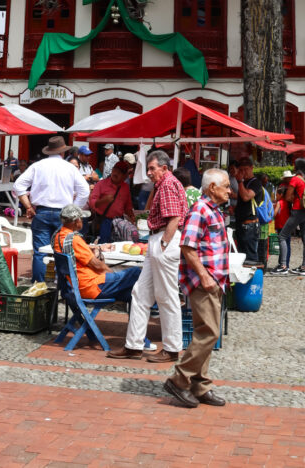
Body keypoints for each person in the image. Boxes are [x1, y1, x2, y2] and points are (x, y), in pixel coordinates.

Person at [108, 149, 188, 363]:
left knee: (167, 297)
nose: (149, 173)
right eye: (148, 169)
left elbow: (174, 218)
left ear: (164, 167)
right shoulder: (164, 184)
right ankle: (133, 345)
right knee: (140, 294)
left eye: (152, 169)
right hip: (160, 240)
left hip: (164, 240)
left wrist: (162, 244)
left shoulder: (169, 184)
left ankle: (171, 349)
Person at [163, 169, 231, 409]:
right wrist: (203, 275)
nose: (230, 190)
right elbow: (187, 246)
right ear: (212, 187)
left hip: (215, 280)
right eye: (226, 186)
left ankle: (200, 385)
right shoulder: (200, 210)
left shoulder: (213, 210)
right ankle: (179, 379)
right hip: (204, 281)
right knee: (210, 332)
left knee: (206, 332)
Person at [13, 134, 91, 282]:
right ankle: (62, 284)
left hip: (41, 212)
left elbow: (18, 186)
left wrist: (28, 206)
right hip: (64, 214)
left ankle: (40, 286)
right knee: (63, 250)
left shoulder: (37, 166)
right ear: (63, 152)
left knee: (40, 252)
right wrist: (74, 210)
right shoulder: (70, 168)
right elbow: (85, 191)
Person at [53, 204, 140, 302]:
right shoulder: (75, 239)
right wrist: (113, 274)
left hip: (76, 285)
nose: (82, 221)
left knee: (130, 293)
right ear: (76, 221)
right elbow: (97, 265)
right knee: (136, 272)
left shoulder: (58, 236)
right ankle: (154, 309)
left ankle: (146, 310)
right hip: (90, 286)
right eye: (81, 219)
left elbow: (77, 251)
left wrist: (95, 247)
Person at [274, 157, 305, 275]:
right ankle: (304, 267)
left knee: (282, 236)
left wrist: (293, 198)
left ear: (297, 167)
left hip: (298, 211)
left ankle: (283, 265)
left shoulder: (295, 179)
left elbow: (288, 197)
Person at [88, 160, 135, 241]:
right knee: (104, 246)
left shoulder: (125, 187)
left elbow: (128, 205)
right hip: (104, 221)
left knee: (118, 246)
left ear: (125, 176)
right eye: (115, 170)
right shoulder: (101, 184)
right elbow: (92, 202)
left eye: (119, 172)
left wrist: (132, 216)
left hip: (119, 222)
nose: (116, 173)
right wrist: (103, 201)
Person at [234, 156, 264, 264]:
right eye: (241, 170)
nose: (243, 173)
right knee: (242, 256)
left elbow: (246, 196)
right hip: (241, 224)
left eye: (245, 170)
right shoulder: (244, 182)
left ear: (252, 168)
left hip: (250, 226)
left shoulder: (255, 183)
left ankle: (253, 280)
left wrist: (239, 181)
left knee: (250, 258)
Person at [273, 181, 292, 269]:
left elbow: (275, 213)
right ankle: (286, 263)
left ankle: (282, 263)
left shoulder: (279, 202)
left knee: (282, 245)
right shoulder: (287, 202)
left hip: (281, 226)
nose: (276, 196)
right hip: (288, 226)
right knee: (287, 244)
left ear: (280, 194)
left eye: (276, 195)